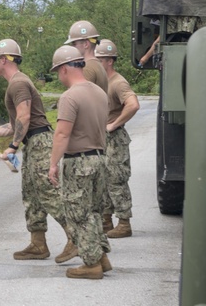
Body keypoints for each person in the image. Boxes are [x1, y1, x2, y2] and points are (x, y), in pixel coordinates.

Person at [0, 38, 64, 260]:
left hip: (40, 142)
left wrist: (12, 147)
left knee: (48, 194)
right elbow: (14, 126)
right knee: (32, 196)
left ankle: (78, 238)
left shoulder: (18, 83)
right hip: (32, 143)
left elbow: (25, 116)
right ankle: (38, 244)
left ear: (4, 59)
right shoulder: (15, 83)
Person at [47, 45, 112, 279]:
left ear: (64, 69)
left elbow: (62, 134)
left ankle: (91, 264)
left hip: (79, 162)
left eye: (57, 71)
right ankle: (101, 257)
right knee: (94, 211)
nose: (58, 76)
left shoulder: (70, 96)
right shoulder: (99, 92)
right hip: (100, 159)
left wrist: (53, 164)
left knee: (78, 213)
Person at [96, 39, 140, 238]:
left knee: (116, 180)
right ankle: (106, 220)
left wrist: (114, 124)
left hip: (115, 139)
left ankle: (124, 222)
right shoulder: (101, 82)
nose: (96, 63)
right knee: (102, 180)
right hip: (102, 139)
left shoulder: (118, 82)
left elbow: (133, 104)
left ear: (110, 61)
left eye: (100, 60)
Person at [64, 20, 108, 92]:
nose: (72, 47)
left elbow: (79, 97)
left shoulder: (87, 68)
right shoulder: (97, 64)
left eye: (74, 44)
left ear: (86, 44)